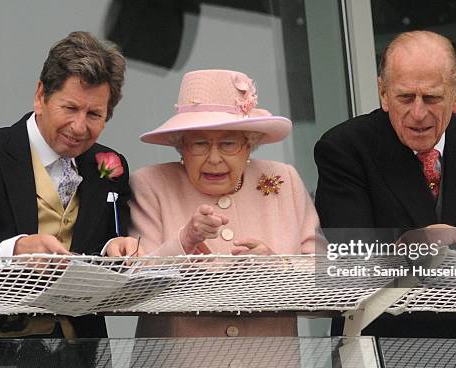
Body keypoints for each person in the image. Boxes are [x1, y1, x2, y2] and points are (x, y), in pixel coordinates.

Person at [314, 30, 456, 339]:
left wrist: (448, 241)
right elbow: (357, 261)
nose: (418, 113)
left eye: (431, 97)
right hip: (381, 351)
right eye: (405, 97)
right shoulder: (345, 148)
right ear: (384, 94)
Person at [0, 31, 141, 368]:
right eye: (69, 108)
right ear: (41, 95)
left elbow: (111, 248)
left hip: (81, 361)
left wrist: (119, 248)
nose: (79, 126)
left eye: (94, 114)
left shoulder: (110, 165)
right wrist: (18, 248)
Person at [130, 69, 321, 338]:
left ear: (249, 145)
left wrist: (277, 267)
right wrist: (184, 240)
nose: (214, 158)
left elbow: (327, 278)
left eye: (229, 144)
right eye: (199, 144)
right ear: (181, 147)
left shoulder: (283, 179)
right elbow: (135, 287)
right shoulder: (152, 184)